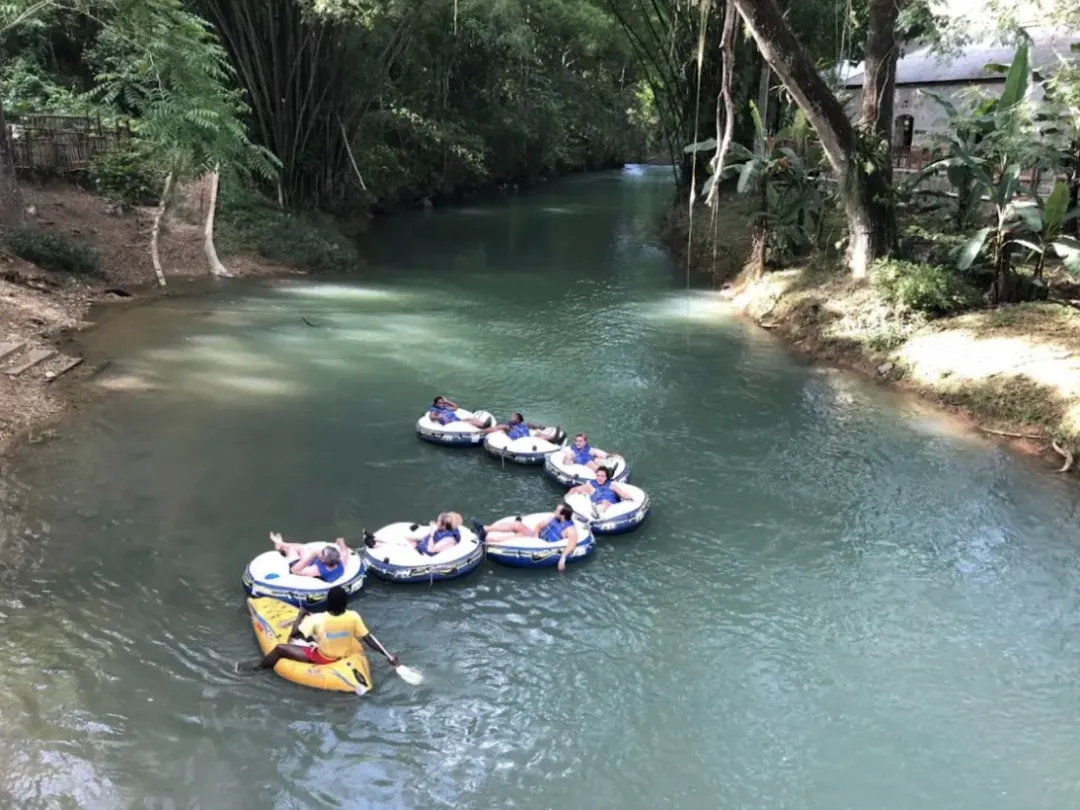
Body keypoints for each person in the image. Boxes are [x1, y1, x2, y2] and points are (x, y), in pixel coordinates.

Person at [237, 586, 404, 693]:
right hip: (344, 653)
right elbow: (368, 639)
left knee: (281, 648)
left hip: (323, 657)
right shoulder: (353, 616)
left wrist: (300, 616)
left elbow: (292, 638)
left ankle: (258, 669)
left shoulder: (317, 619)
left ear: (329, 602)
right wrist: (390, 658)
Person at [472, 504, 579, 571]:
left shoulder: (570, 530)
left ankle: (487, 541)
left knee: (517, 537)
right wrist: (536, 537)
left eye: (557, 510)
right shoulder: (553, 517)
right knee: (517, 525)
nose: (555, 511)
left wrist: (562, 559)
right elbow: (538, 526)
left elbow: (572, 544)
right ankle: (485, 529)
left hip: (544, 545)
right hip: (536, 538)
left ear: (562, 514)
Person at [368, 512, 465, 556]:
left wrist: (431, 533)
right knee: (405, 539)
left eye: (438, 521)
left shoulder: (448, 540)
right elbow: (433, 537)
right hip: (422, 544)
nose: (436, 522)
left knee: (403, 548)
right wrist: (419, 539)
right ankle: (376, 539)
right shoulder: (441, 529)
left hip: (423, 553)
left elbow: (431, 550)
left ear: (444, 525)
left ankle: (376, 544)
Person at [270, 532, 351, 583]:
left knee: (291, 549)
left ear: (323, 560)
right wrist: (341, 541)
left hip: (298, 568)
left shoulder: (316, 570)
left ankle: (281, 546)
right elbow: (344, 550)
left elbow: (294, 570)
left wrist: (313, 556)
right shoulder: (341, 561)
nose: (320, 551)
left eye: (322, 553)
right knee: (302, 547)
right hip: (310, 563)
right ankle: (281, 544)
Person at [567, 466, 632, 515]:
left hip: (613, 508)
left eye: (602, 476)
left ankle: (599, 511)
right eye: (598, 476)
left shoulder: (611, 485)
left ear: (606, 477)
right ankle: (597, 511)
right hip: (597, 504)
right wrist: (568, 499)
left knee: (605, 502)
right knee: (602, 502)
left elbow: (622, 494)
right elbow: (575, 489)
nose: (599, 478)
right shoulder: (590, 485)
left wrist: (632, 500)